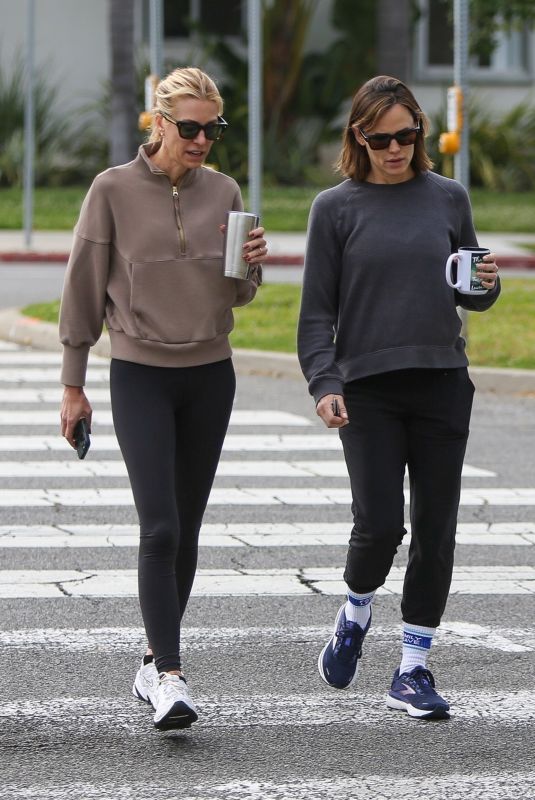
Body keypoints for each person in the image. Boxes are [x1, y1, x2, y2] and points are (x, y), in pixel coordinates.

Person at [59, 67, 267, 731]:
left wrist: (251, 266)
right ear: (158, 123)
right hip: (140, 374)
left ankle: (153, 657)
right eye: (190, 127)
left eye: (213, 128)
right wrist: (73, 384)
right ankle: (171, 678)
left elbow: (235, 294)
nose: (202, 139)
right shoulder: (112, 191)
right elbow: (83, 287)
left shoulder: (225, 192)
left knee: (189, 527)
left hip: (210, 374)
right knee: (161, 526)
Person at [297, 75, 500, 720]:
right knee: (382, 524)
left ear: (420, 130)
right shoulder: (335, 209)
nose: (396, 148)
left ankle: (413, 668)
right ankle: (356, 608)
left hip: (442, 381)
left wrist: (483, 284)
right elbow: (315, 313)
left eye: (407, 135)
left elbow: (469, 287)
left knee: (437, 531)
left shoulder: (448, 198)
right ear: (359, 138)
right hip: (368, 391)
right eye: (381, 139)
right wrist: (325, 382)